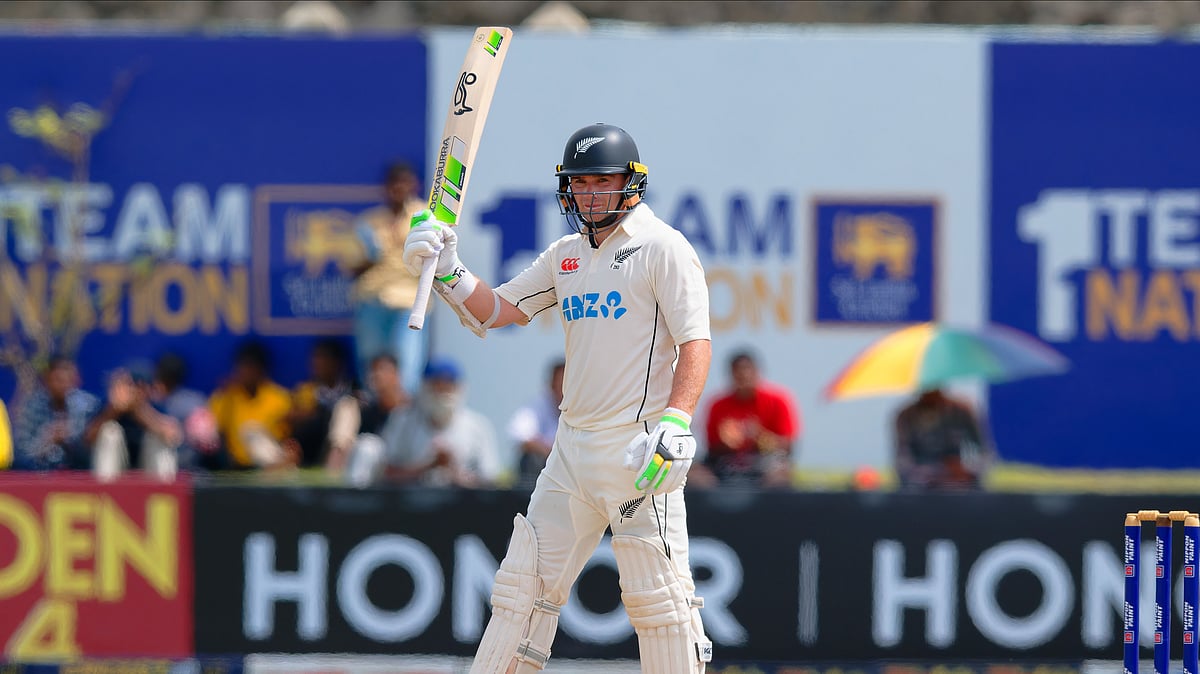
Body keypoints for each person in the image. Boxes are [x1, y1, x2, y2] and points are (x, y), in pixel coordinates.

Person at [403, 123, 713, 673]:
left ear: (631, 182)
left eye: (602, 181)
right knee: (520, 595)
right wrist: (448, 270)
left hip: (638, 451)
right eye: (580, 183)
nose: (590, 194)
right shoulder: (565, 255)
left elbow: (695, 342)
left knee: (661, 606)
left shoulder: (663, 247)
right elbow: (497, 311)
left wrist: (677, 420)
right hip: (570, 454)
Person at [350, 162, 430, 396]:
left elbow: (438, 260)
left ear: (414, 185)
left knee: (407, 368)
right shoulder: (368, 222)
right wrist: (372, 256)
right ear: (385, 187)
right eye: (394, 183)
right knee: (371, 364)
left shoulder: (425, 217)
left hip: (409, 302)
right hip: (372, 300)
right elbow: (352, 268)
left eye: (404, 182)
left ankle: (403, 414)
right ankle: (374, 413)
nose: (399, 188)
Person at [694, 350, 800, 489]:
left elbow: (788, 447)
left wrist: (759, 437)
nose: (744, 377)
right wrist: (727, 442)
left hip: (764, 462)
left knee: (780, 476)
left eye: (747, 372)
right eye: (738, 373)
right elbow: (711, 447)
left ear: (757, 372)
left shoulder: (777, 401)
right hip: (727, 463)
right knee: (694, 475)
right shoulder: (718, 405)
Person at [84, 361, 183, 482]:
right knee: (110, 431)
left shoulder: (156, 408)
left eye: (138, 386)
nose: (133, 391)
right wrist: (114, 410)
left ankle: (164, 489)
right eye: (129, 386)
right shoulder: (106, 407)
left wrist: (139, 410)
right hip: (115, 472)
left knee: (157, 437)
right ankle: (105, 489)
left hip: (148, 470)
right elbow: (88, 440)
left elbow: (173, 436)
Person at [208, 341, 294, 470]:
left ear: (262, 369)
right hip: (236, 467)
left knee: (253, 432)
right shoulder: (225, 397)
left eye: (252, 367)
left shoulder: (279, 398)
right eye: (244, 366)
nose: (247, 372)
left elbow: (287, 438)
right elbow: (213, 435)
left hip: (270, 466)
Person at [326, 353, 410, 481]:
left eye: (382, 369)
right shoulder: (365, 409)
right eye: (373, 370)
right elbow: (343, 445)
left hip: (407, 470)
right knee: (368, 446)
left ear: (396, 375)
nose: (376, 375)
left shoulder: (411, 408)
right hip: (370, 472)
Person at [893, 387, 992, 491]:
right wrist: (920, 473)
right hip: (921, 488)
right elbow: (902, 458)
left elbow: (984, 451)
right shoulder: (906, 416)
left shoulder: (961, 411)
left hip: (958, 485)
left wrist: (968, 469)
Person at [11, 355, 100, 472]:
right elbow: (20, 456)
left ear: (77, 380)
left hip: (80, 474)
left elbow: (93, 453)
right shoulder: (31, 407)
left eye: (69, 380)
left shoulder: (89, 407)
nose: (64, 385)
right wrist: (46, 440)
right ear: (46, 380)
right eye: (58, 380)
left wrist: (70, 440)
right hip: (39, 475)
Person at [287, 338, 354, 467]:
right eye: (315, 358)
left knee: (347, 407)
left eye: (324, 358)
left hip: (339, 449)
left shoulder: (352, 389)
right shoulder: (305, 390)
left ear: (337, 363)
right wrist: (309, 413)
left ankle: (335, 462)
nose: (317, 364)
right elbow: (291, 418)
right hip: (308, 450)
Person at [153, 352, 220, 471]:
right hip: (156, 468)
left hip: (188, 470)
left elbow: (208, 442)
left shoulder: (193, 402)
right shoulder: (152, 399)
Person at [507, 358, 565, 490]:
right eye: (561, 383)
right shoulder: (538, 404)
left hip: (573, 473)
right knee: (532, 459)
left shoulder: (587, 408)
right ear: (552, 385)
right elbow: (519, 436)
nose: (565, 389)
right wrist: (553, 454)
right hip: (544, 473)